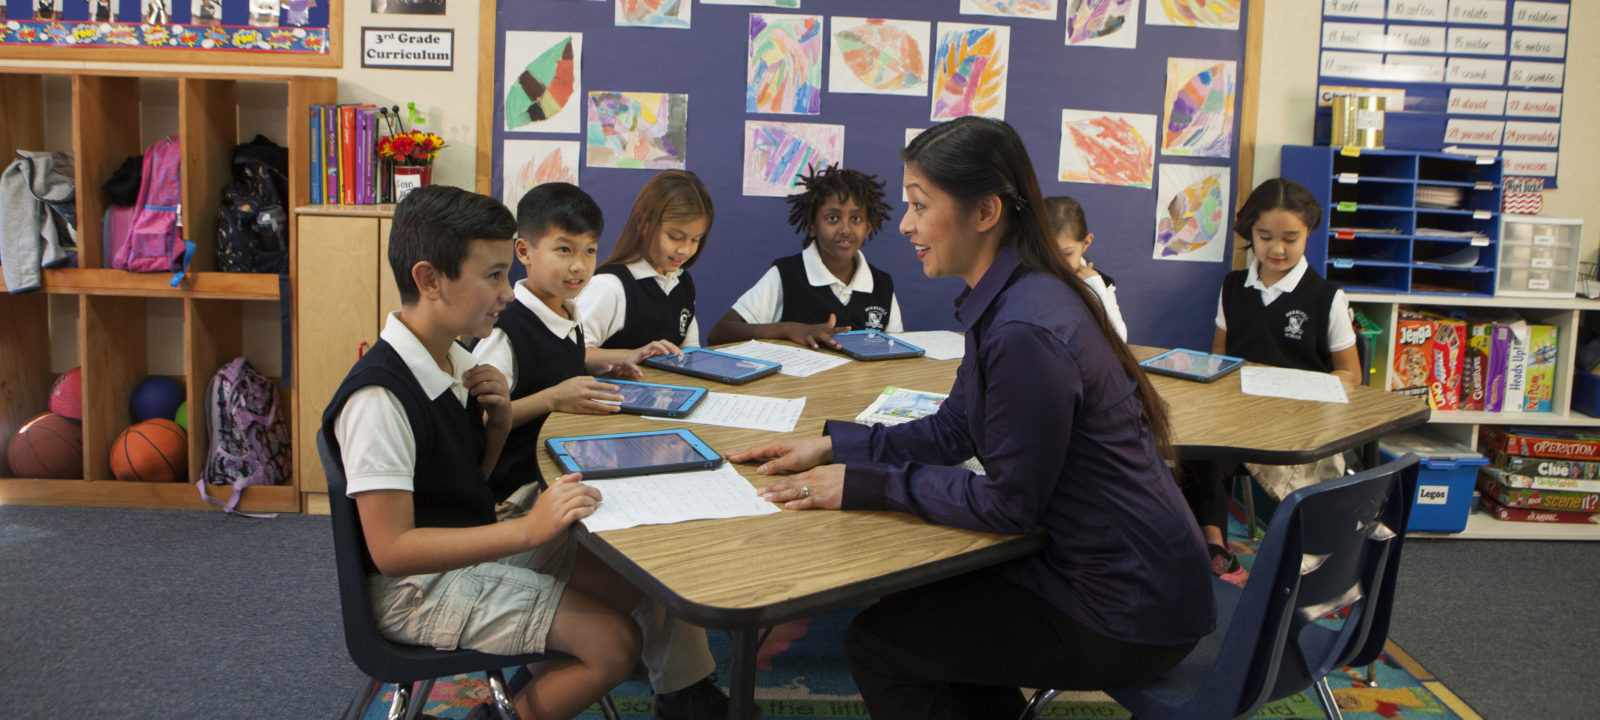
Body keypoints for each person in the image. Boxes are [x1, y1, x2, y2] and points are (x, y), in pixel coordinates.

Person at [728, 117, 1215, 720]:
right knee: (923, 600)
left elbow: (1009, 505)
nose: (904, 224)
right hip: (1131, 579)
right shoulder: (1020, 294)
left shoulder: (1025, 328)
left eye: (918, 205)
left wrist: (865, 483)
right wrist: (833, 448)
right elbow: (955, 428)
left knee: (880, 645)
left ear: (985, 212)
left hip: (1124, 611)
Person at [320, 185, 640, 720]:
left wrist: (495, 427)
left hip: (460, 544)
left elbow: (460, 484)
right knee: (617, 645)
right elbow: (392, 549)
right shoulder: (379, 398)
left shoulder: (448, 361)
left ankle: (510, 703)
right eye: (493, 276)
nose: (508, 294)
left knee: (627, 573)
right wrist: (527, 530)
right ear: (429, 280)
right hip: (413, 589)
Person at [471, 182, 737, 720]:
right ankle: (685, 695)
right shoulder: (505, 333)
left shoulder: (565, 316)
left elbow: (564, 364)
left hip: (559, 481)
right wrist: (554, 395)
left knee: (661, 548)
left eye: (588, 250)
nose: (579, 265)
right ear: (523, 252)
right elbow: (478, 427)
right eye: (564, 249)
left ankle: (684, 692)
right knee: (653, 562)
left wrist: (603, 364)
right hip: (520, 504)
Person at [1190, 177, 1362, 580]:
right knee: (1196, 446)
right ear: (1250, 231)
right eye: (1265, 237)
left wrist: (1295, 389)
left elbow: (1350, 373)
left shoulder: (1327, 298)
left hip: (1299, 421)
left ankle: (1298, 552)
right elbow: (1220, 357)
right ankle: (1214, 543)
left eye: (1291, 238)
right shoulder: (1234, 286)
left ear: (1308, 235)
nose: (1277, 249)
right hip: (1241, 415)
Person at [707, 164, 901, 349]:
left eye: (856, 219)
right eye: (832, 218)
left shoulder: (881, 285)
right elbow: (719, 334)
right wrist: (789, 329)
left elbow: (896, 350)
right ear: (812, 226)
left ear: (868, 227)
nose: (845, 229)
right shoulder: (787, 275)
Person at [578, 170, 713, 350]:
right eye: (675, 237)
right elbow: (574, 355)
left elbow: (691, 351)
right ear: (643, 224)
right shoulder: (609, 286)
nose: (685, 250)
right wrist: (631, 357)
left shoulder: (682, 282)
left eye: (695, 239)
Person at [1044, 196, 1126, 341]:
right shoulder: (1029, 280)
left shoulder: (1100, 283)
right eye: (1047, 253)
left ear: (1085, 243)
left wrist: (1096, 288)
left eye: (1066, 253)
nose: (1056, 263)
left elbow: (1119, 338)